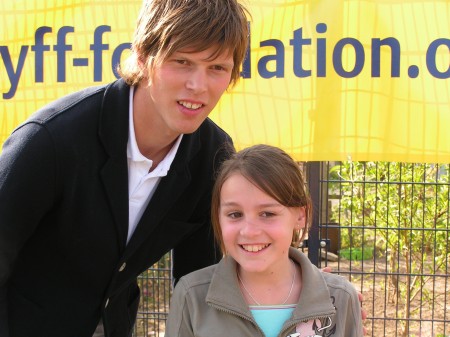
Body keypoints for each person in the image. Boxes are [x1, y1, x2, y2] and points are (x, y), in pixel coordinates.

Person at [0, 1, 249, 336]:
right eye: (182, 62)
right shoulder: (51, 140)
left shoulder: (213, 157)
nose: (198, 85)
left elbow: (200, 283)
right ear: (143, 56)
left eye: (216, 68)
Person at [165, 144, 365, 337]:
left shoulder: (340, 298)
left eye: (267, 214)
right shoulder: (192, 296)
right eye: (235, 214)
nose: (249, 231)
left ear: (300, 216)